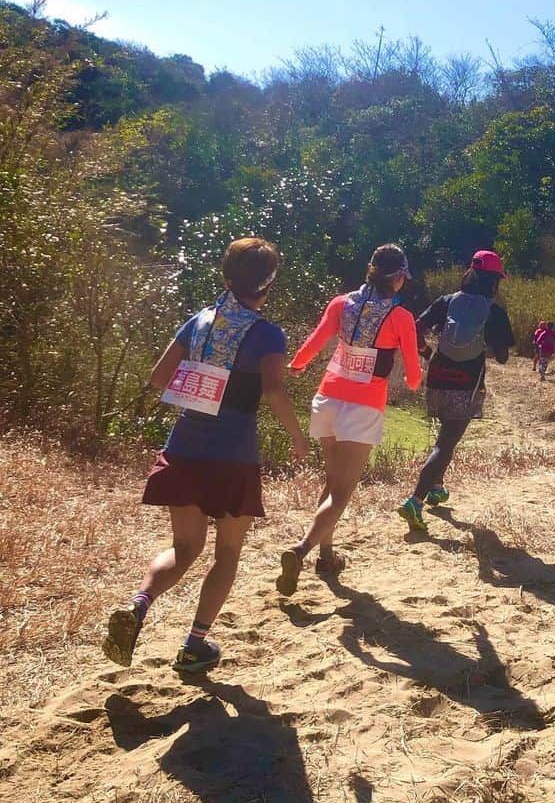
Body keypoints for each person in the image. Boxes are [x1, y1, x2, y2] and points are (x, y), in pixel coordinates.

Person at [102, 238, 308, 673]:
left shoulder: (199, 321)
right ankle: (195, 644)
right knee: (227, 552)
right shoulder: (267, 334)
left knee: (183, 547)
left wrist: (201, 382)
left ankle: (138, 605)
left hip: (184, 449)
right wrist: (297, 436)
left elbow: (159, 378)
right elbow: (273, 390)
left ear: (227, 276)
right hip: (234, 455)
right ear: (268, 283)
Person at [278, 244, 421, 595]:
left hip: (326, 399)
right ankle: (302, 549)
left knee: (332, 482)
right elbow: (414, 373)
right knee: (341, 493)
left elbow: (316, 340)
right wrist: (414, 383)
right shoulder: (401, 316)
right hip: (363, 407)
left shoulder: (341, 303)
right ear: (398, 277)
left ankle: (326, 556)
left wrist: (297, 364)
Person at [398, 250, 515, 533]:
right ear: (495, 281)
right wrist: (484, 349)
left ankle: (437, 487)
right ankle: (415, 499)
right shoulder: (494, 311)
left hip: (437, 378)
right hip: (467, 384)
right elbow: (502, 357)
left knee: (445, 436)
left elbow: (416, 328)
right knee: (446, 443)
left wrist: (427, 353)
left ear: (470, 273)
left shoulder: (446, 302)